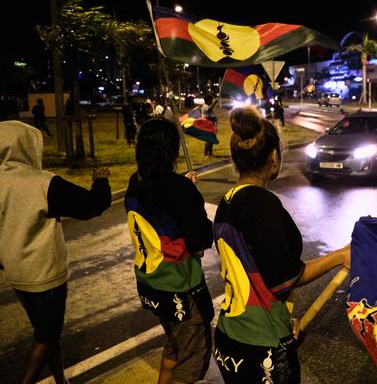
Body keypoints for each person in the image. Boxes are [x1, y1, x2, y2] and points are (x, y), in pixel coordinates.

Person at [213, 106, 350, 383]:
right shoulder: (264, 206)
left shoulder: (227, 202)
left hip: (229, 337)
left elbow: (255, 273)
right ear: (274, 157)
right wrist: (338, 257)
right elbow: (284, 279)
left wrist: (282, 321)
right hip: (261, 347)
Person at [0, 121, 111, 384]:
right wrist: (101, 182)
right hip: (45, 273)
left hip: (16, 272)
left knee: (48, 331)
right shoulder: (43, 183)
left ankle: (61, 379)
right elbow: (91, 206)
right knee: (46, 335)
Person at [124, 118, 214, 384]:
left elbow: (161, 205)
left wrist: (183, 186)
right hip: (181, 288)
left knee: (174, 345)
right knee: (191, 361)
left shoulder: (136, 182)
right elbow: (201, 239)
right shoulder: (178, 189)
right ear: (171, 151)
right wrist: (189, 193)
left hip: (152, 283)